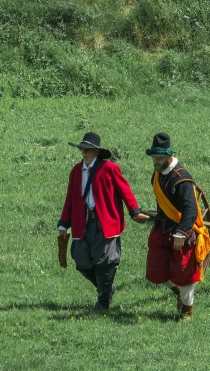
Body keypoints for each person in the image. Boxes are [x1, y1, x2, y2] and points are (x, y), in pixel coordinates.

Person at [59, 132, 141, 310]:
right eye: (82, 149)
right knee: (80, 258)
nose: (84, 153)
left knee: (105, 262)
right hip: (83, 223)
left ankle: (103, 302)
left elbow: (125, 190)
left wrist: (134, 211)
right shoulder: (75, 171)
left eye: (88, 150)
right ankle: (106, 288)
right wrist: (63, 224)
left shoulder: (110, 168)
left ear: (96, 152)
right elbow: (70, 199)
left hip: (105, 222)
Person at [133, 133, 210, 321]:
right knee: (155, 269)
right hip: (163, 229)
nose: (155, 161)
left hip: (182, 232)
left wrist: (182, 233)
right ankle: (177, 291)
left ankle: (187, 309)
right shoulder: (158, 174)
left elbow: (190, 210)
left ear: (169, 156)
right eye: (154, 157)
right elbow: (164, 205)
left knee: (184, 273)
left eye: (158, 158)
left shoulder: (182, 179)